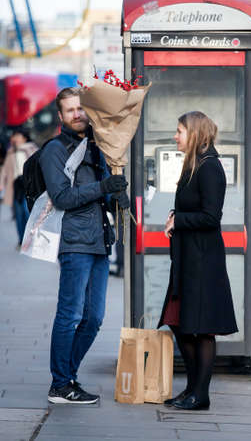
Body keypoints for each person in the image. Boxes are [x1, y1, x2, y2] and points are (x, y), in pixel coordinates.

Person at [40, 87, 130, 404]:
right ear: (61, 116)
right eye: (70, 110)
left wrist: (115, 191)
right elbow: (63, 197)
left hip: (100, 242)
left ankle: (68, 377)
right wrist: (102, 186)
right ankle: (60, 384)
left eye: (81, 108)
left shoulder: (96, 145)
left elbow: (100, 193)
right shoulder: (55, 149)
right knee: (70, 315)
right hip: (74, 241)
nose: (77, 114)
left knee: (94, 318)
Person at [158, 111, 238, 411]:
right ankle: (191, 390)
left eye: (179, 131)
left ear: (194, 133)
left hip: (203, 261)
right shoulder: (196, 164)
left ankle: (200, 395)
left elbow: (210, 216)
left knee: (201, 328)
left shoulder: (210, 168)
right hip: (188, 260)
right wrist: (176, 217)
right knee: (180, 322)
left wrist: (179, 220)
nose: (175, 136)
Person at [0, 129, 38, 247]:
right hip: (15, 186)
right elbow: (5, 170)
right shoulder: (11, 152)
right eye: (14, 136)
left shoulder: (33, 149)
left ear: (24, 138)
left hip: (29, 186)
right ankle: (21, 240)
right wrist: (1, 183)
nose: (15, 138)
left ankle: (29, 240)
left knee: (28, 213)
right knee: (19, 214)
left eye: (17, 136)